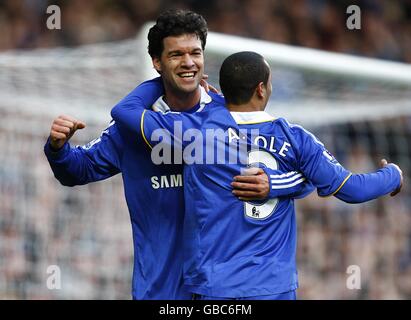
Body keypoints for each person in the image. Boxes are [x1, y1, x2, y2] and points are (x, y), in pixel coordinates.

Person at [44, 10, 310, 300]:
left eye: (195, 53)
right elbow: (78, 170)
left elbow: (306, 172)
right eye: (176, 55)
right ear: (157, 62)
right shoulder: (134, 128)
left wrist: (272, 184)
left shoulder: (231, 115)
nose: (188, 62)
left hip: (225, 290)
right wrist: (58, 148)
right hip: (160, 289)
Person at [111, 51, 403, 300]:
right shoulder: (297, 138)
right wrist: (392, 174)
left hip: (216, 286)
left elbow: (124, 110)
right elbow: (352, 190)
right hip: (272, 285)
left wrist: (163, 78)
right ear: (262, 89)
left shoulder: (194, 132)